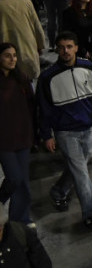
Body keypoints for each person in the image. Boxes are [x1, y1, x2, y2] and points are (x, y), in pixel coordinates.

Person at [37, 32, 92, 229]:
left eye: (69, 46)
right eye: (62, 47)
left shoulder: (88, 68)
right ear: (57, 49)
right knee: (81, 172)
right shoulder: (48, 77)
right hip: (65, 132)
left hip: (86, 129)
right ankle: (90, 212)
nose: (65, 51)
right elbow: (43, 109)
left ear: (76, 47)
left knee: (77, 168)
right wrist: (47, 135)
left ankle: (58, 191)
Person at [0, 43, 36, 225]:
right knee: (14, 178)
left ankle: (19, 222)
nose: (13, 59)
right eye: (7, 55)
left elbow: (32, 106)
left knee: (23, 184)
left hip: (23, 137)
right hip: (4, 141)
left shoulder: (21, 79)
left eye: (14, 55)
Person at [0, 0, 46, 81]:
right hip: (28, 51)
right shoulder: (27, 3)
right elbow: (37, 26)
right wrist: (41, 45)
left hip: (6, 57)